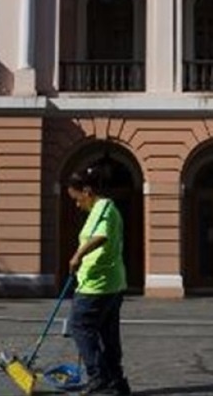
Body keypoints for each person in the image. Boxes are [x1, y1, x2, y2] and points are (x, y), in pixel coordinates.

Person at [66, 164, 131, 395]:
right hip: (111, 283)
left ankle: (98, 376)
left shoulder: (103, 207)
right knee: (107, 333)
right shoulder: (105, 208)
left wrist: (76, 257)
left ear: (87, 191)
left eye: (77, 198)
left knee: (80, 325)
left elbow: (100, 237)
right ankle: (117, 382)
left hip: (98, 284)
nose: (77, 204)